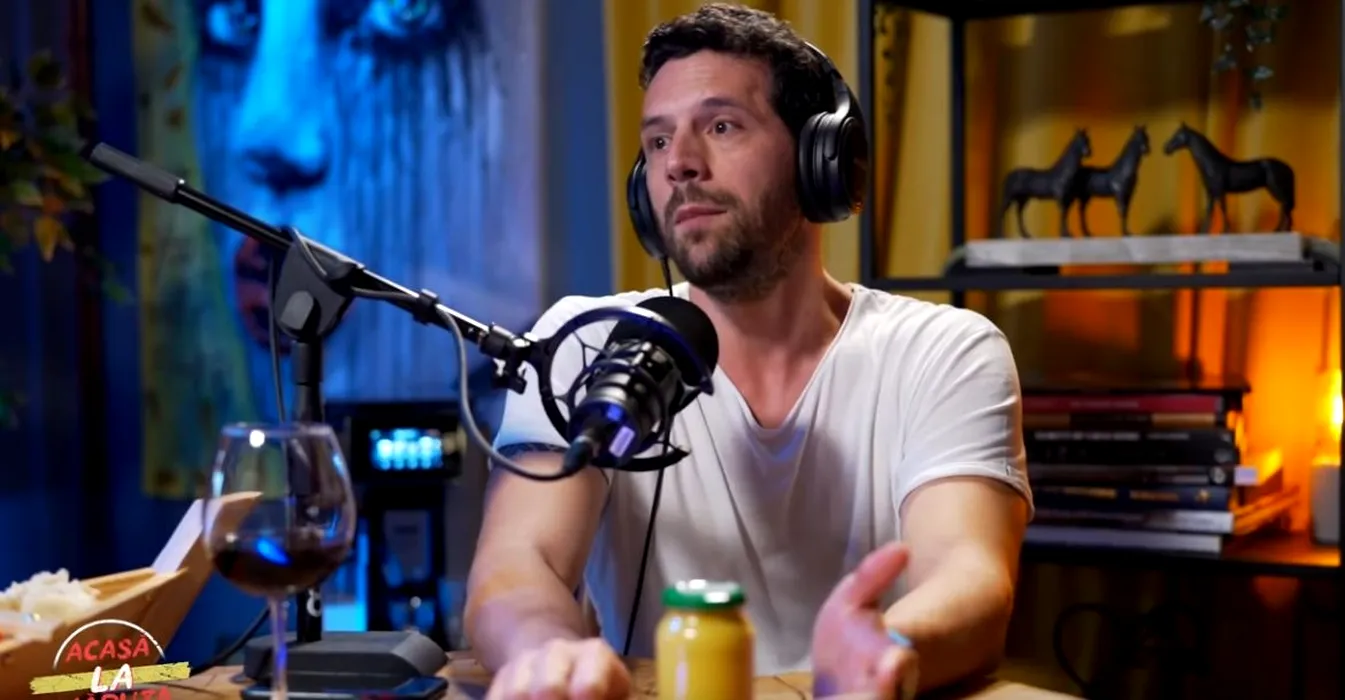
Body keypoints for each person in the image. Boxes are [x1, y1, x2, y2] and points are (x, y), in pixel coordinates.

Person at [464, 4, 1032, 699]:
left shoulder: (944, 352)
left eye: (721, 127)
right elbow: (519, 562)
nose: (679, 164)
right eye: (658, 141)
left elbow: (968, 575)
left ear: (819, 161)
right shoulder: (586, 342)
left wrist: (886, 649)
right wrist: (546, 654)